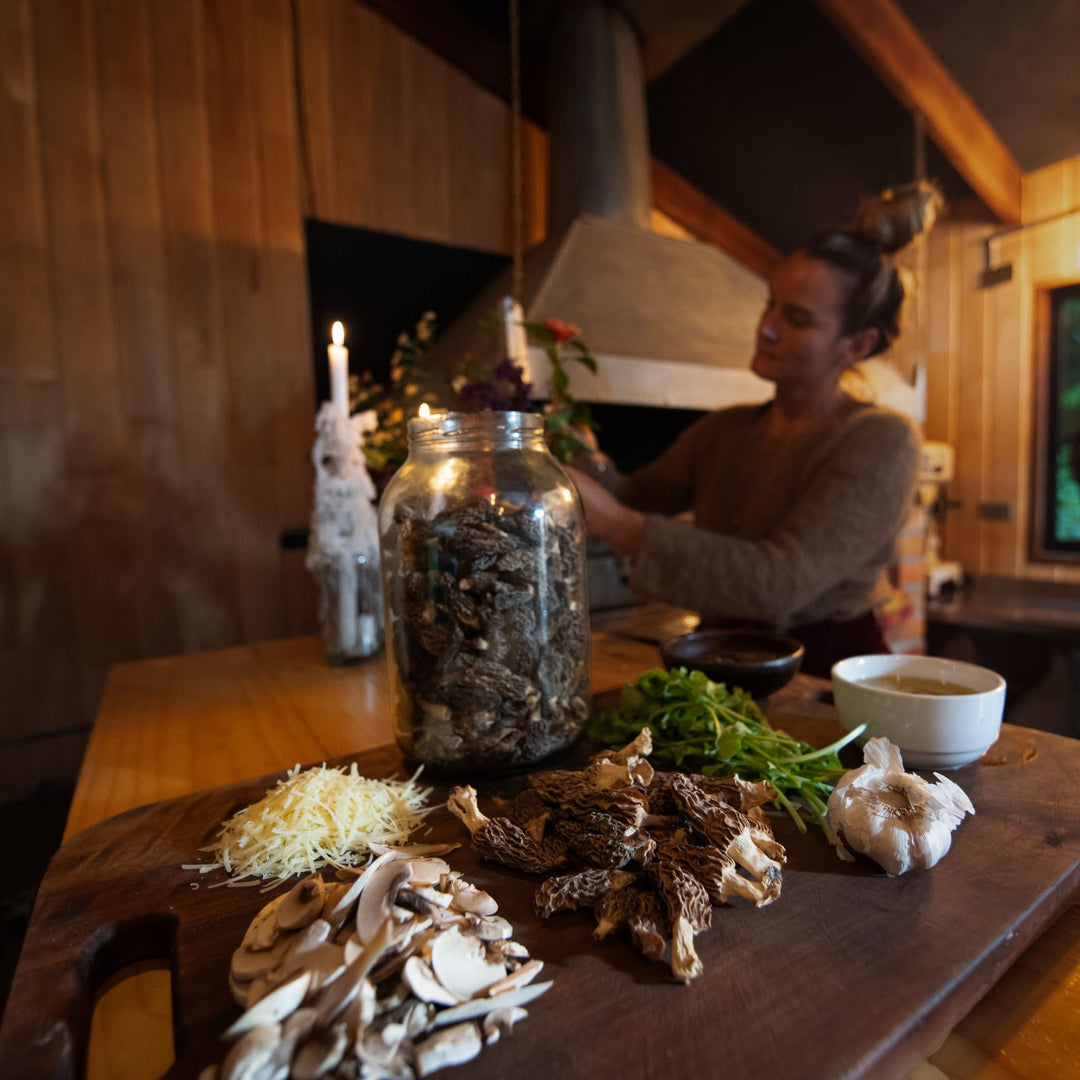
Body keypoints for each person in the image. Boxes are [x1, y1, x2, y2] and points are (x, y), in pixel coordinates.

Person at [567, 226, 921, 678]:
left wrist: (620, 525)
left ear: (858, 345)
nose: (766, 328)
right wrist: (586, 461)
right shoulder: (726, 427)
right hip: (720, 658)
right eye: (770, 303)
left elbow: (779, 581)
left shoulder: (882, 441)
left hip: (825, 675)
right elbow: (636, 496)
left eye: (797, 319)